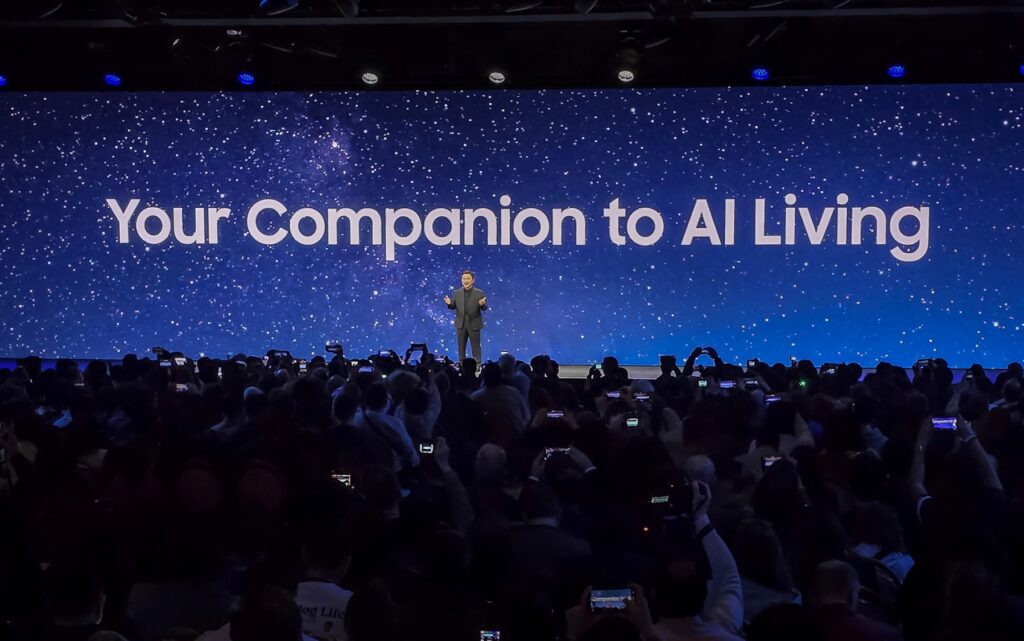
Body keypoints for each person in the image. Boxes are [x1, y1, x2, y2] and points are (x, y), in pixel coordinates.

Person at [443, 270, 487, 365]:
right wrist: (450, 303)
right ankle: (462, 365)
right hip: (461, 324)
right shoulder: (457, 293)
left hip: (474, 323)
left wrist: (482, 305)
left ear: (473, 280)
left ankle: (477, 365)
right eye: (463, 278)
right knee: (461, 347)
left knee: (475, 347)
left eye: (468, 278)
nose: (465, 280)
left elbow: (484, 308)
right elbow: (453, 305)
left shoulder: (479, 293)